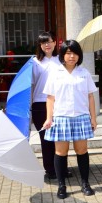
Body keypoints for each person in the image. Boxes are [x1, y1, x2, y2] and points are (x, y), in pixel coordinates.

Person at [43, 40, 98, 199]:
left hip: (81, 117)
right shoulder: (55, 73)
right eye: (68, 53)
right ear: (62, 55)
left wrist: (93, 118)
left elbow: (90, 97)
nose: (71, 56)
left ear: (79, 55)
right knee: (61, 152)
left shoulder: (84, 73)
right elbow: (50, 98)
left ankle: (85, 183)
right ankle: (61, 186)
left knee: (82, 151)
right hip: (61, 117)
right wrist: (49, 118)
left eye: (74, 53)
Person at [31, 31, 70, 180]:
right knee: (46, 139)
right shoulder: (34, 62)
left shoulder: (61, 61)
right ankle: (50, 169)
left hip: (59, 104)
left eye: (49, 41)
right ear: (40, 45)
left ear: (55, 43)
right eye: (43, 42)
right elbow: (31, 86)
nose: (47, 45)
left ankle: (62, 168)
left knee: (61, 138)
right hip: (40, 104)